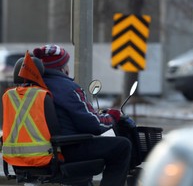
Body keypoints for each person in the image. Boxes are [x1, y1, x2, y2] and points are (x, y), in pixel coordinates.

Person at [33, 44, 132, 186]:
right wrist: (112, 116)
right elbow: (93, 125)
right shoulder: (67, 88)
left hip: (41, 151)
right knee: (122, 146)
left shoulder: (29, 87)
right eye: (66, 64)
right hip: (68, 149)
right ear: (61, 68)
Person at [2, 55, 61, 167]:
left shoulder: (7, 96)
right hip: (43, 158)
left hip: (13, 160)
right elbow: (55, 130)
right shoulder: (42, 95)